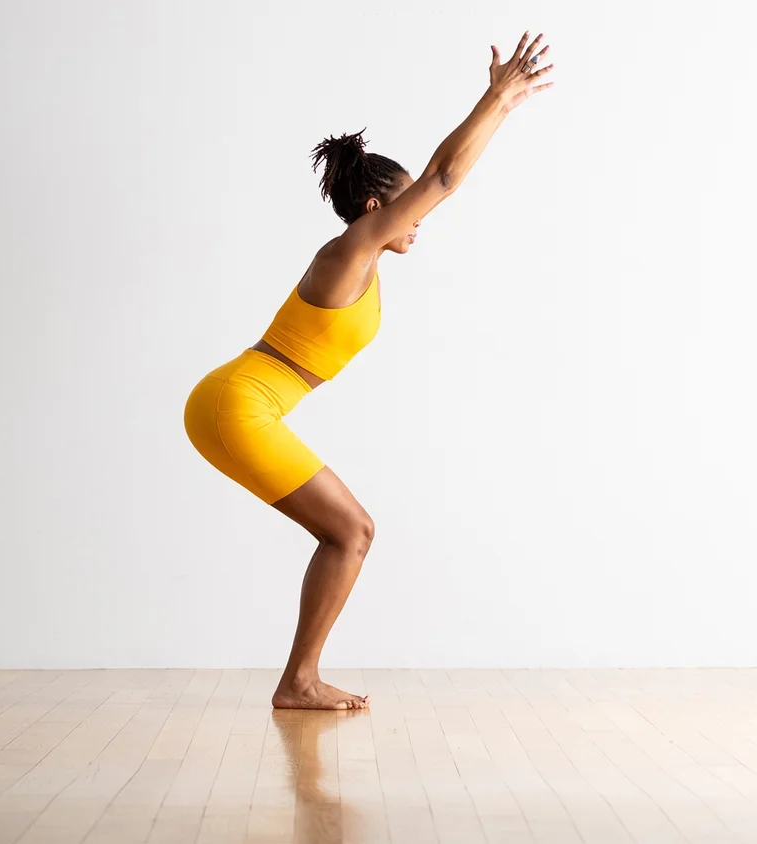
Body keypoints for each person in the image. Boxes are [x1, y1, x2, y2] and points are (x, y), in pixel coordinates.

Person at [184, 32, 555, 710]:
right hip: (237, 402)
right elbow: (445, 175)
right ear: (378, 209)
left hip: (237, 401)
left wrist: (504, 105)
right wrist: (496, 97)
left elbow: (441, 176)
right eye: (407, 205)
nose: (423, 218)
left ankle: (299, 679)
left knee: (348, 532)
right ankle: (298, 682)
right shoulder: (352, 248)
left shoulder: (363, 260)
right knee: (351, 532)